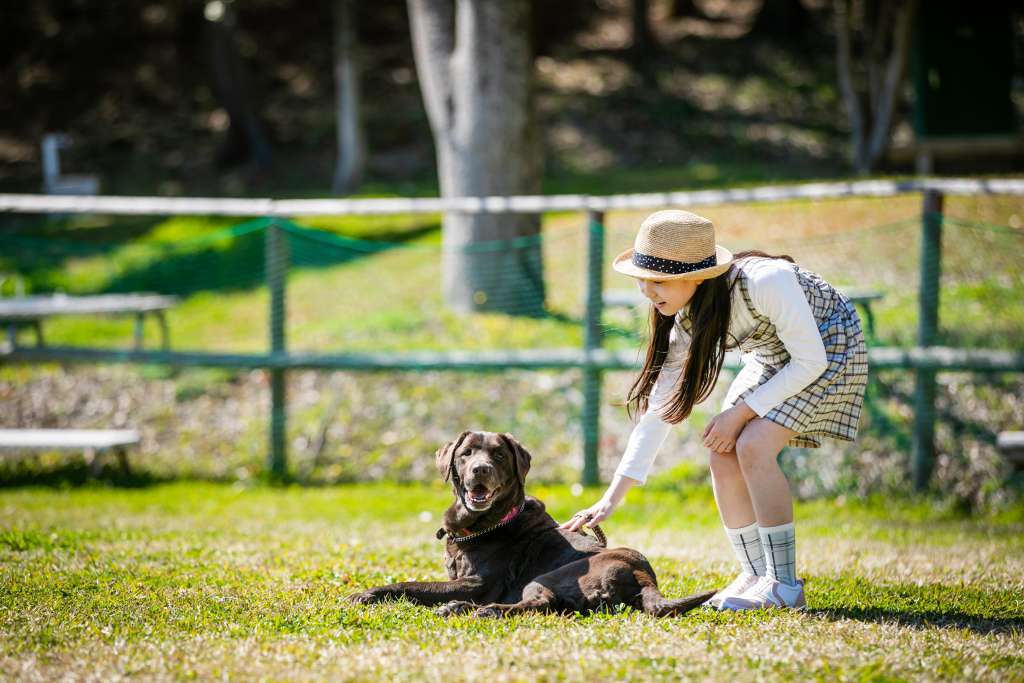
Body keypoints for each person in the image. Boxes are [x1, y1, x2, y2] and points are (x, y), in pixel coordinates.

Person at [559, 209, 868, 611]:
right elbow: (661, 408)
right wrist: (612, 498)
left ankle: (785, 586)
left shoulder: (765, 281)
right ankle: (755, 576)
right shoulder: (687, 317)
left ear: (696, 276)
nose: (647, 293)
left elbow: (810, 361)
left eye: (658, 281)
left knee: (753, 445)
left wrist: (739, 414)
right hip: (775, 358)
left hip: (830, 351)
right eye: (642, 281)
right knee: (721, 451)